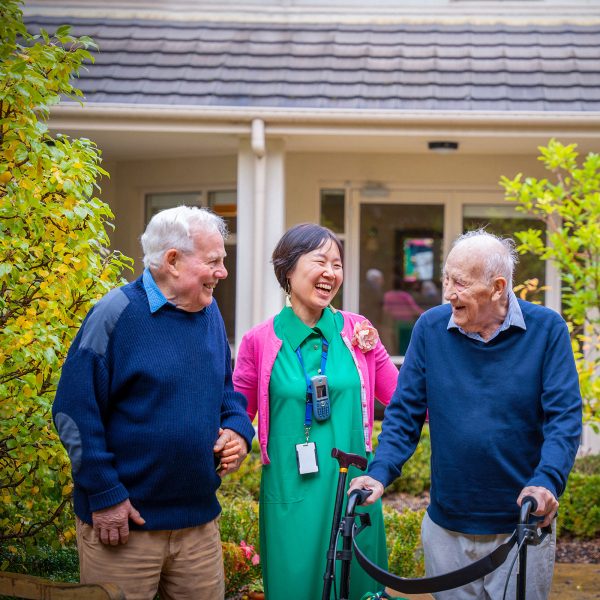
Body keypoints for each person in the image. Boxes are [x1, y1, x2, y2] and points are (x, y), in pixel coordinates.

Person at [350, 229, 582, 600]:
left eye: (459, 282)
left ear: (498, 287)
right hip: (447, 529)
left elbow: (564, 420)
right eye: (445, 278)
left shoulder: (547, 330)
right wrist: (380, 471)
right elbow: (404, 414)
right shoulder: (430, 329)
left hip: (520, 527)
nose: (447, 293)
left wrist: (548, 481)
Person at [52, 206, 255, 600]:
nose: (223, 272)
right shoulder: (115, 313)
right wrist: (106, 493)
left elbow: (225, 389)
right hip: (124, 527)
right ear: (173, 261)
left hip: (198, 526)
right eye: (214, 261)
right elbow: (73, 413)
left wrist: (238, 429)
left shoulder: (209, 312)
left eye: (223, 261)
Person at [233, 223, 399, 600]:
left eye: (337, 264)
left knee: (356, 587)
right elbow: (235, 414)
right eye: (320, 261)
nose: (331, 273)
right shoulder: (259, 341)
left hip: (355, 490)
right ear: (288, 270)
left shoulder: (358, 332)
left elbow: (405, 401)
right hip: (292, 493)